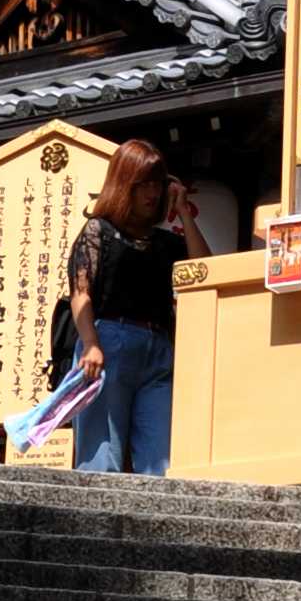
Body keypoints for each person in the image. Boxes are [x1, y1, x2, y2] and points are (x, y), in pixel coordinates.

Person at [60, 138, 200, 477]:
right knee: (102, 453)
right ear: (125, 185)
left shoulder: (166, 243)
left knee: (160, 458)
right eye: (143, 185)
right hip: (108, 344)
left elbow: (205, 271)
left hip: (159, 351)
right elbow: (81, 293)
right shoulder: (99, 231)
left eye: (157, 183)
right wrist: (91, 343)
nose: (152, 193)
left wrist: (182, 210)